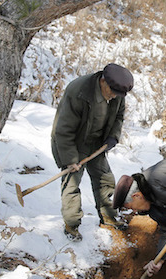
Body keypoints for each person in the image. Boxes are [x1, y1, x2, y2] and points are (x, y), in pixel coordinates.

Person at [51, 63, 133, 242]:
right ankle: (71, 225)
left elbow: (119, 116)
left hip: (97, 143)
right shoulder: (79, 91)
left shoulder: (117, 91)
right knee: (71, 183)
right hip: (72, 142)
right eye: (111, 92)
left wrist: (112, 136)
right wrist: (70, 159)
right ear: (103, 81)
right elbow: (63, 130)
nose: (113, 97)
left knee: (105, 178)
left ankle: (108, 216)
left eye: (117, 95)